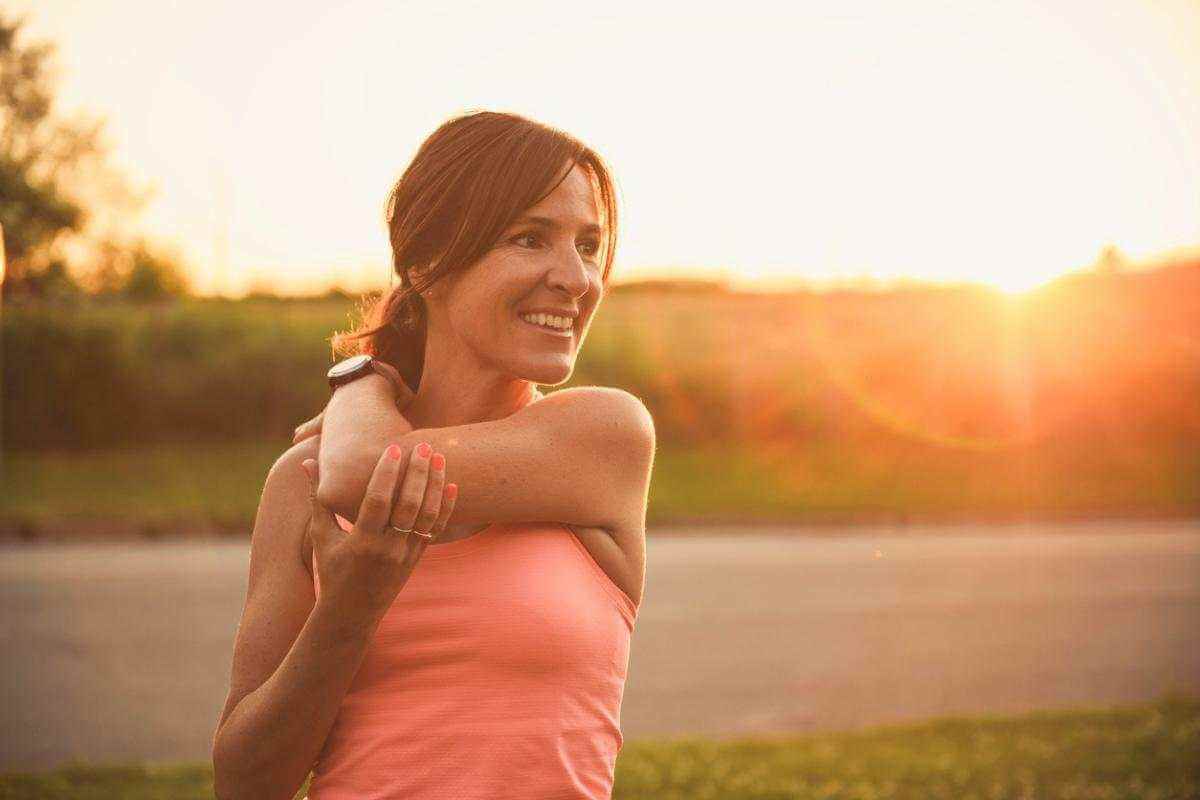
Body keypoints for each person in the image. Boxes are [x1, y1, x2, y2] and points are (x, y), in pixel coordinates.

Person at [211, 109, 656, 800]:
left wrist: (359, 376)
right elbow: (246, 783)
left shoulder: (605, 437)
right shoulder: (301, 482)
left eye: (590, 246)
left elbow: (368, 474)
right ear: (426, 262)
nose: (575, 279)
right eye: (529, 238)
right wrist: (348, 612)